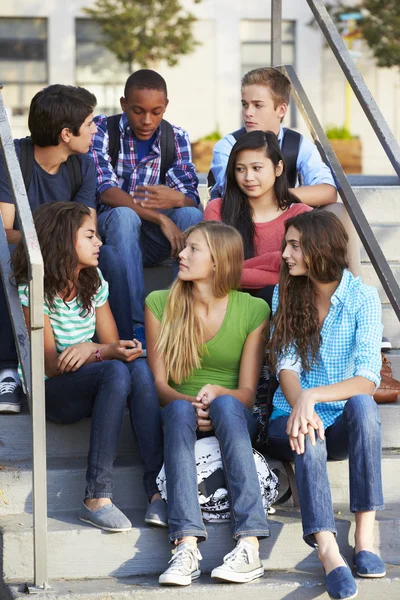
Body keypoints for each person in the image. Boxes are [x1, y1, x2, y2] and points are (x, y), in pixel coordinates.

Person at [11, 202, 165, 531]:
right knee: (115, 370)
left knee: (136, 367)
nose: (99, 243)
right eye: (90, 236)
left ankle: (156, 493)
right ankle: (96, 496)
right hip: (52, 392)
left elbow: (112, 346)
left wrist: (91, 348)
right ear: (64, 240)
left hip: (91, 381)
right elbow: (51, 366)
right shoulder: (34, 289)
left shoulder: (92, 282)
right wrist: (100, 352)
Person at [145, 220, 270, 586]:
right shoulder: (160, 303)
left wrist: (218, 396)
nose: (181, 254)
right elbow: (159, 384)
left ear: (218, 262)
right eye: (184, 248)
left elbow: (247, 393)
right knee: (180, 409)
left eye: (193, 249)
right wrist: (192, 401)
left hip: (232, 416)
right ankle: (185, 545)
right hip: (181, 413)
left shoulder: (253, 310)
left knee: (229, 406)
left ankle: (249, 542)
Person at [267, 210, 385, 600]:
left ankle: (365, 532)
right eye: (287, 244)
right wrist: (302, 404)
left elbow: (368, 377)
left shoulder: (363, 298)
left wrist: (314, 397)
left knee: (365, 405)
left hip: (337, 418)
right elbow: (285, 361)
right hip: (290, 420)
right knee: (308, 432)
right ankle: (328, 550)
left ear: (320, 249)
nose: (285, 253)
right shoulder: (285, 292)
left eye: (295, 245)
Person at [0, 84, 132, 413]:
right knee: (3, 260)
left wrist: (62, 246)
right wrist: (47, 243)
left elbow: (87, 229)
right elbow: (4, 231)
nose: (95, 129)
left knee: (111, 257)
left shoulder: (82, 165)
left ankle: (125, 351)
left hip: (67, 256)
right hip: (23, 253)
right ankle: (6, 369)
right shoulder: (13, 159)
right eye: (89, 123)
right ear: (65, 134)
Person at [208, 67, 362, 280]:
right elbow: (237, 189)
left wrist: (279, 196)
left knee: (339, 211)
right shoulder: (228, 145)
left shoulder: (297, 144)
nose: (248, 112)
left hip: (284, 222)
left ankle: (352, 282)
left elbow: (327, 190)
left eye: (257, 105)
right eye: (245, 105)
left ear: (281, 110)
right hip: (238, 223)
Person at [89, 69, 203, 342]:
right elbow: (105, 190)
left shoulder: (174, 137)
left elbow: (189, 195)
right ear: (124, 104)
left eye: (156, 111)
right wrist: (161, 218)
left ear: (166, 107)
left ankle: (180, 315)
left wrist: (176, 199)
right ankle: (135, 324)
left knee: (190, 214)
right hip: (113, 233)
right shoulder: (103, 128)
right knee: (125, 216)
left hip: (154, 240)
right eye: (138, 111)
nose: (147, 120)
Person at [204, 130, 312, 308]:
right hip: (225, 306)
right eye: (240, 169)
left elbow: (301, 274)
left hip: (283, 309)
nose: (248, 178)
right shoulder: (217, 209)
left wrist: (233, 271)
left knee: (271, 294)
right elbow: (211, 271)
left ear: (278, 169)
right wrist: (274, 262)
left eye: (257, 168)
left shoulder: (301, 215)